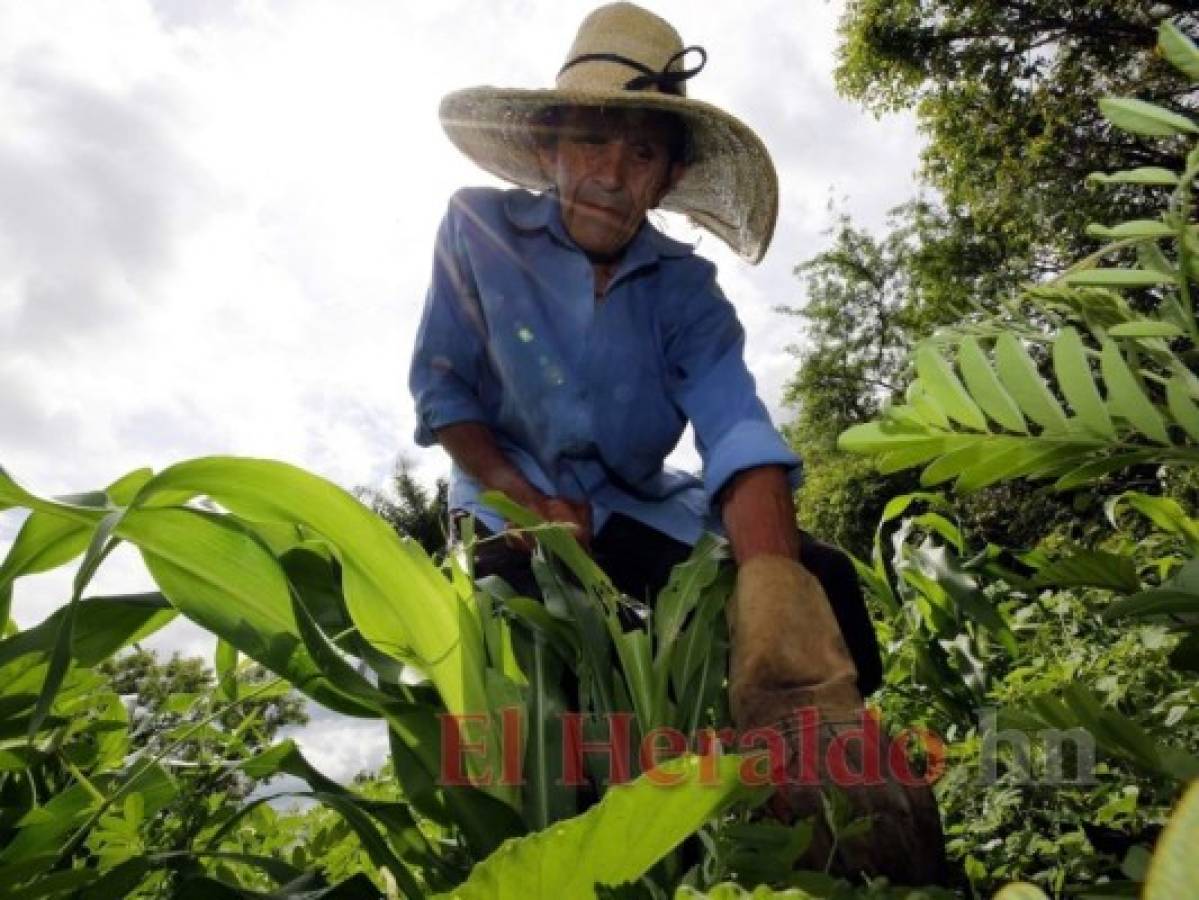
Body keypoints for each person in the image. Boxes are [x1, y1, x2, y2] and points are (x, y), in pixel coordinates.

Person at [409, 2, 946, 884]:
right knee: (536, 617)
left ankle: (835, 813)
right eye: (590, 141)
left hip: (641, 508)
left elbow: (735, 426)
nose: (611, 175)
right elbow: (445, 391)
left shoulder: (687, 290)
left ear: (666, 179)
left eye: (642, 153)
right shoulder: (475, 229)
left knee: (823, 581)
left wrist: (777, 594)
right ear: (548, 149)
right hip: (506, 501)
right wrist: (524, 497)